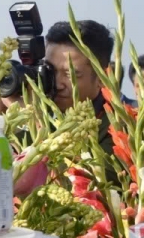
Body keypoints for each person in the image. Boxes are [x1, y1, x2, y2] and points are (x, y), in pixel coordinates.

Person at [45, 19, 116, 153]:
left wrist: (39, 131)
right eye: (50, 70)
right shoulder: (40, 112)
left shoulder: (117, 127)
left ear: (102, 77)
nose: (57, 84)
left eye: (70, 74)